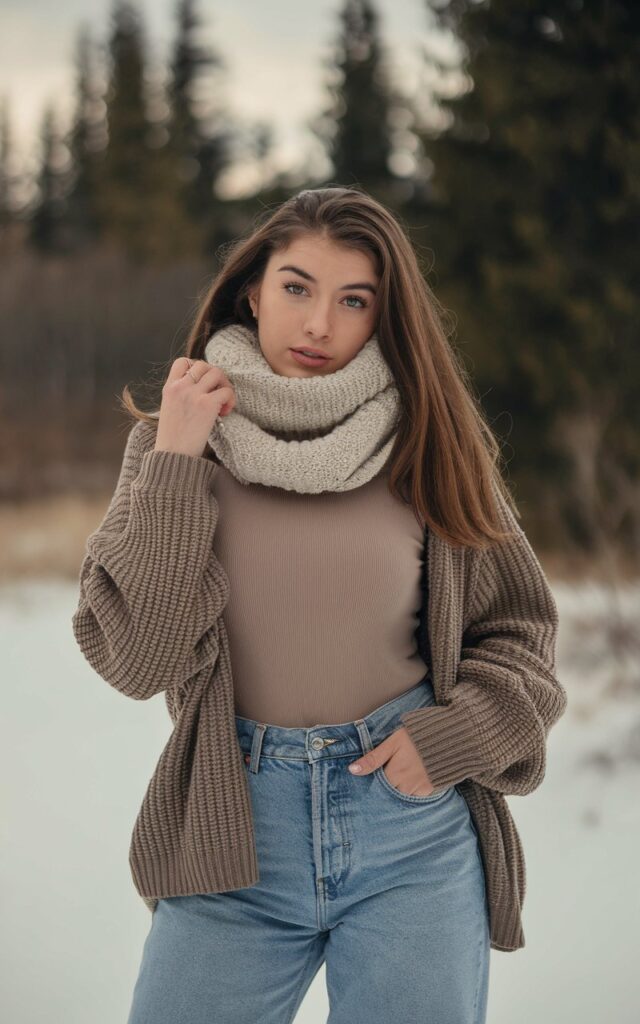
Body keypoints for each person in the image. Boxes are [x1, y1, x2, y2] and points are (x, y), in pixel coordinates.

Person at [71, 186, 567, 1024]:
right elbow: (137, 657)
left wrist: (450, 739)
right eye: (297, 287)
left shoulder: (430, 444)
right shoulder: (173, 445)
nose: (318, 325)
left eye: (353, 301)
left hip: (409, 831)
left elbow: (520, 634)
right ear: (252, 292)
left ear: (384, 317)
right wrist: (180, 459)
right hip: (234, 832)